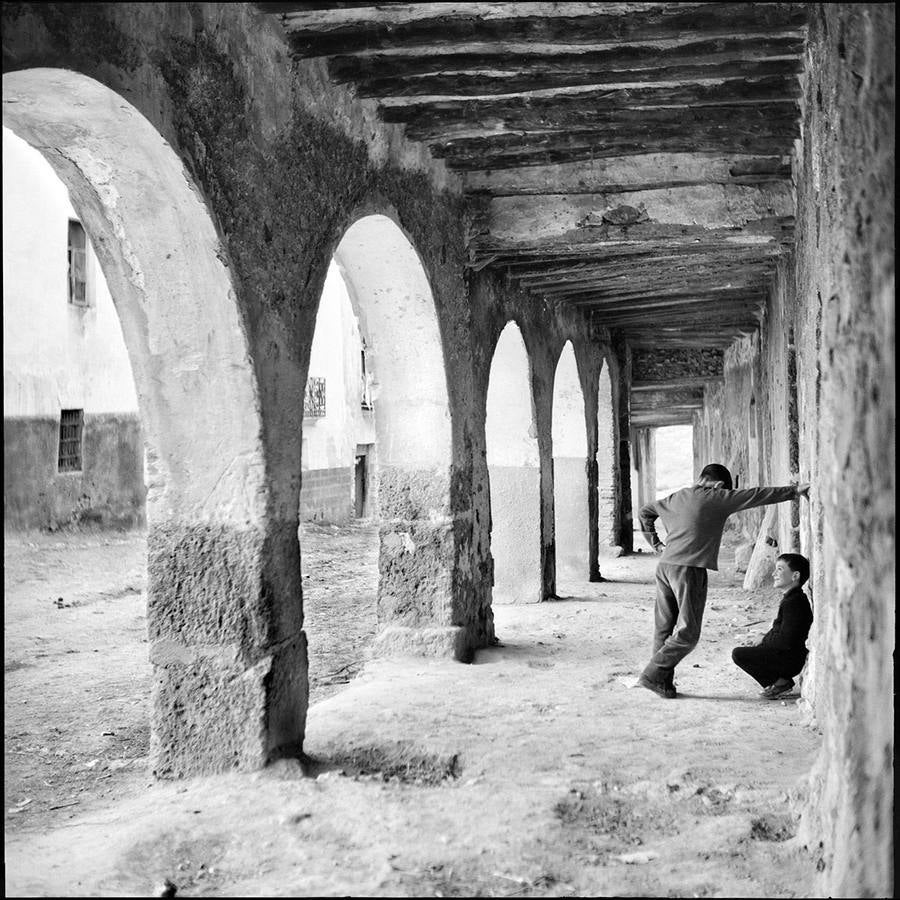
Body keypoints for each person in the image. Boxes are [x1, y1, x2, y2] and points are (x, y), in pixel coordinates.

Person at [637, 463, 809, 699]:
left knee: (664, 627)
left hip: (665, 567)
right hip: (689, 569)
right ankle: (651, 675)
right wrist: (794, 491)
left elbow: (645, 512)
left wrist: (655, 544)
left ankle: (663, 683)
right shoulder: (716, 496)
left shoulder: (677, 496)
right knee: (688, 634)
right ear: (718, 485)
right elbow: (755, 495)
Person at [732, 553, 813, 698]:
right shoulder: (792, 598)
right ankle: (779, 682)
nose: (774, 573)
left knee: (739, 654)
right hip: (790, 655)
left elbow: (786, 641)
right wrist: (764, 638)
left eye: (780, 569)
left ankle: (780, 683)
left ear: (795, 576)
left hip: (791, 659)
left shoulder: (794, 602)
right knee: (752, 649)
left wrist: (763, 640)